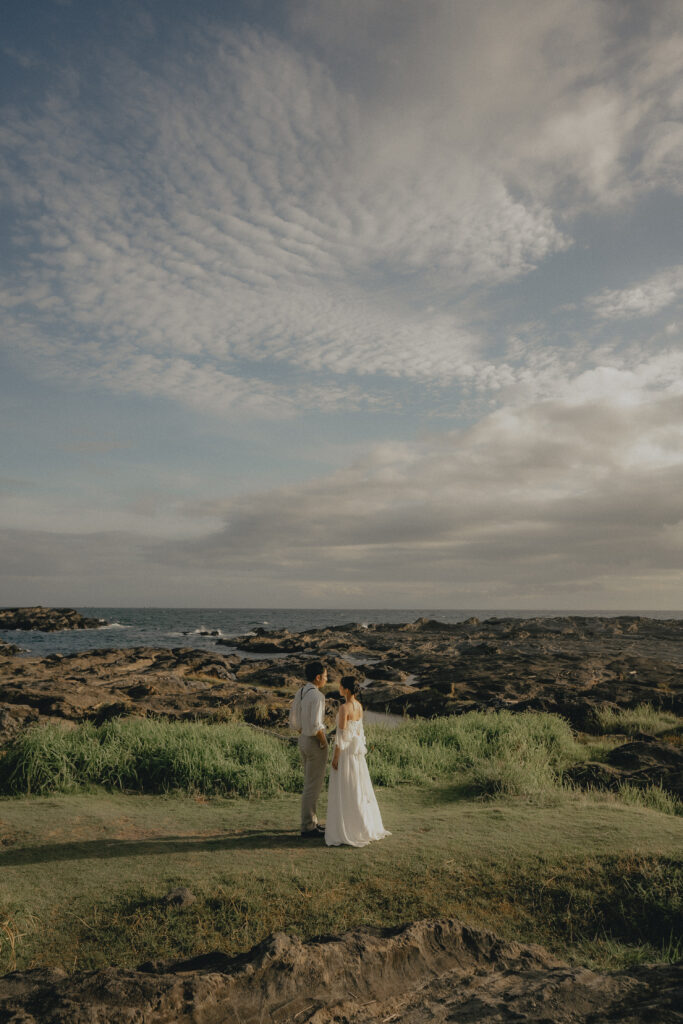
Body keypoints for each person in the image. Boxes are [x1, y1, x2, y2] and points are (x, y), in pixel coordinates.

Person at [325, 676, 390, 847]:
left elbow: (341, 735)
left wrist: (336, 757)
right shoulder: (359, 706)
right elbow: (359, 732)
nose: (338, 687)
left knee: (345, 788)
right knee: (358, 788)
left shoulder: (344, 708)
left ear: (346, 689)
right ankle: (361, 825)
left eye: (341, 686)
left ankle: (347, 827)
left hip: (346, 754)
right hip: (357, 754)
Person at [290, 661, 329, 838]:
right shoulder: (318, 697)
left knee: (309, 784)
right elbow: (316, 725)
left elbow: (294, 721)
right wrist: (323, 742)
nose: (327, 679)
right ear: (318, 677)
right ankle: (308, 826)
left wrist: (303, 731)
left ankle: (311, 821)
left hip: (303, 739)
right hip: (313, 742)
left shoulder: (301, 691)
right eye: (326, 676)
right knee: (313, 786)